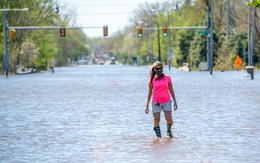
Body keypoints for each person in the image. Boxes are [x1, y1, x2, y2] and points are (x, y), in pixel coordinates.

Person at [145, 61, 178, 138]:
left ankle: (169, 131)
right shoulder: (151, 79)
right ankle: (158, 138)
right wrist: (146, 105)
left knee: (169, 119)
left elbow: (171, 90)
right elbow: (149, 93)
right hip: (156, 102)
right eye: (157, 69)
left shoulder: (167, 78)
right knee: (156, 119)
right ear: (154, 69)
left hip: (166, 101)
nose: (159, 70)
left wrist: (175, 102)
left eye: (161, 68)